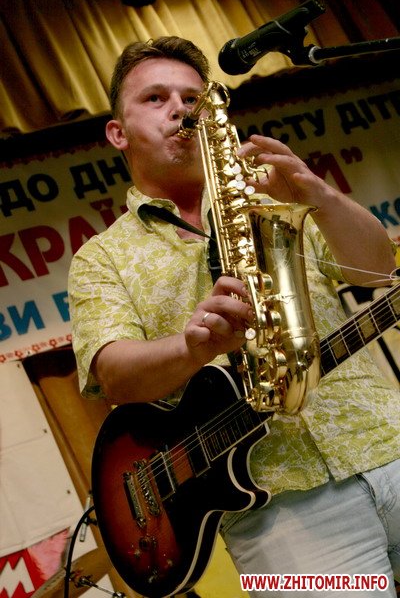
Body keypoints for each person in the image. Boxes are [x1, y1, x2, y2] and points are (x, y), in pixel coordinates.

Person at [68, 36, 400, 597]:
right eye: (155, 98)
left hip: (389, 440)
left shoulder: (272, 198)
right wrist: (192, 347)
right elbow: (115, 376)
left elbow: (377, 272)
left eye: (192, 98)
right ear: (118, 133)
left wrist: (319, 195)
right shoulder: (100, 258)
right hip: (278, 509)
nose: (180, 109)